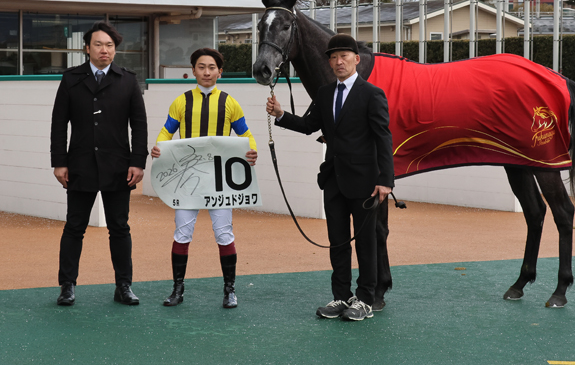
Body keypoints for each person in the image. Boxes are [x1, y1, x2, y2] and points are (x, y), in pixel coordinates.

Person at [266, 34, 394, 321]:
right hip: (333, 180)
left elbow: (383, 138)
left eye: (344, 56)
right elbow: (309, 125)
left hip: (365, 182)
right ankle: (341, 296)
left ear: (356, 60)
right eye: (333, 57)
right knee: (337, 241)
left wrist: (386, 180)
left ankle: (365, 299)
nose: (338, 62)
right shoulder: (324, 93)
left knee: (366, 243)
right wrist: (281, 114)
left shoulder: (372, 94)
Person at [150, 48, 257, 309]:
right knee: (182, 233)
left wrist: (251, 151)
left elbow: (246, 135)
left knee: (224, 234)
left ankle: (230, 290)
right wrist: (158, 148)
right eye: (201, 67)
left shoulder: (230, 102)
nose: (206, 72)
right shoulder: (181, 102)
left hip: (220, 180)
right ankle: (177, 289)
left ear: (220, 72)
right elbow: (166, 132)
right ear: (193, 70)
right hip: (187, 180)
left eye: (211, 67)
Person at [51, 21, 148, 306]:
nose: (104, 50)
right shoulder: (71, 79)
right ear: (87, 48)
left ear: (115, 50)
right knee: (74, 226)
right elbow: (59, 124)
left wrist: (137, 162)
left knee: (119, 227)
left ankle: (124, 286)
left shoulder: (127, 80)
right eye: (98, 44)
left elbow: (139, 125)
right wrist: (59, 162)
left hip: (118, 166)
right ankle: (67, 285)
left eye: (109, 45)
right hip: (79, 165)